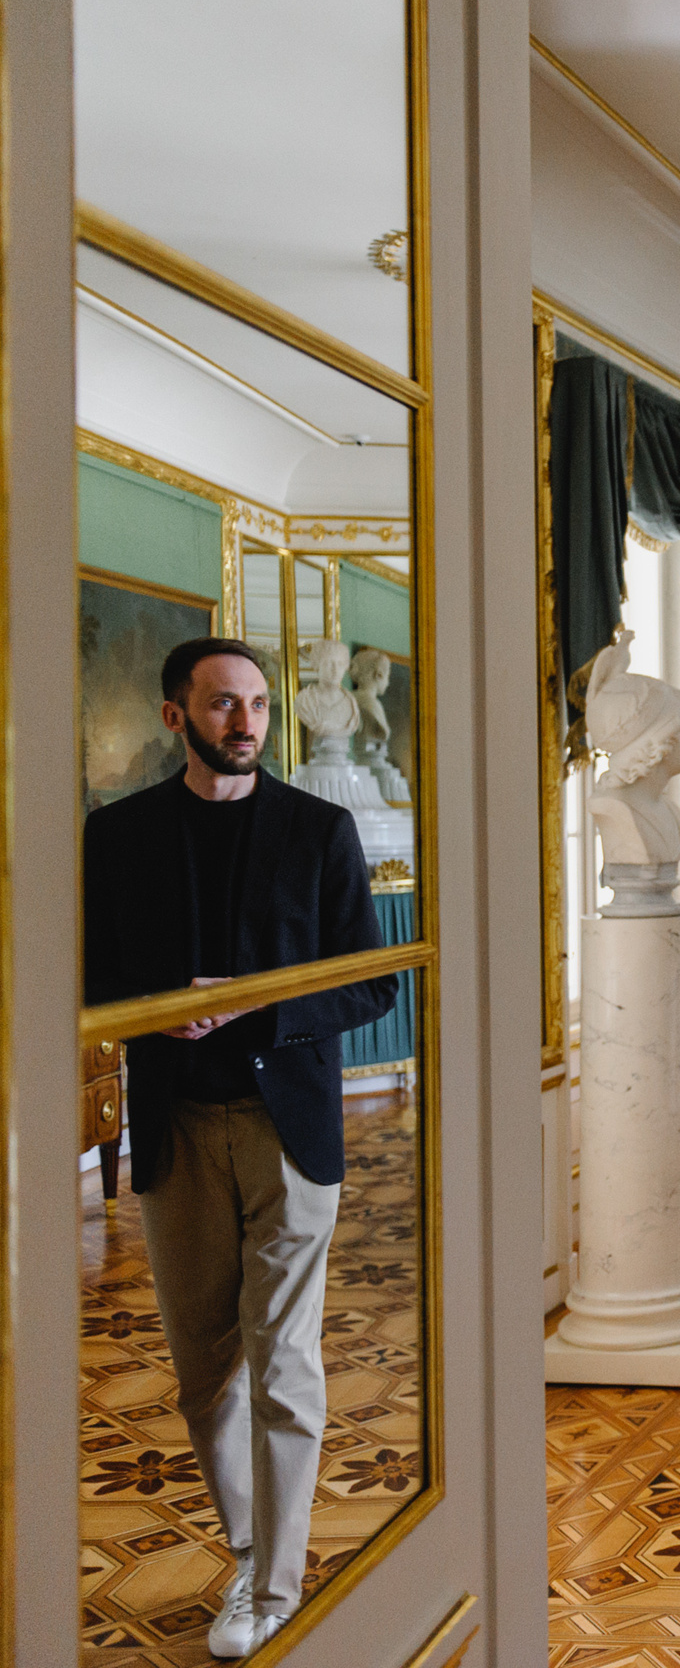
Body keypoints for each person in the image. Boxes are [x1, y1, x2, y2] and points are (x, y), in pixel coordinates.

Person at [83, 638, 397, 1658]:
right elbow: (88, 985)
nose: (247, 723)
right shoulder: (116, 837)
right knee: (202, 1374)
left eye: (258, 705)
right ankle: (253, 1552)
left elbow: (372, 984)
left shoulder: (320, 830)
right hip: (175, 1128)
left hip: (288, 1129)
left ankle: (271, 1586)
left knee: (285, 1361)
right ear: (177, 717)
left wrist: (252, 1012)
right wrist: (153, 1015)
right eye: (224, 706)